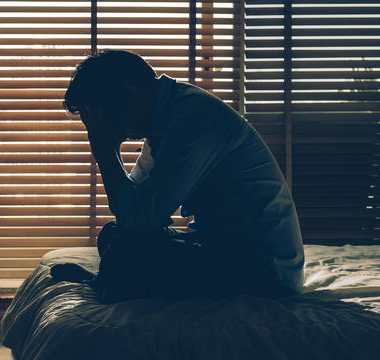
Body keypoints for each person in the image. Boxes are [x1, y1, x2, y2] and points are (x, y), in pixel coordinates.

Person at [50, 49, 305, 304]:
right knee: (112, 234)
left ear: (129, 96)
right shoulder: (163, 121)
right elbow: (132, 208)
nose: (98, 129)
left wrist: (103, 151)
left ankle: (105, 283)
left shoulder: (194, 119)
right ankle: (108, 282)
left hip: (262, 272)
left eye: (99, 118)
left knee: (125, 251)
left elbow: (139, 220)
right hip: (220, 246)